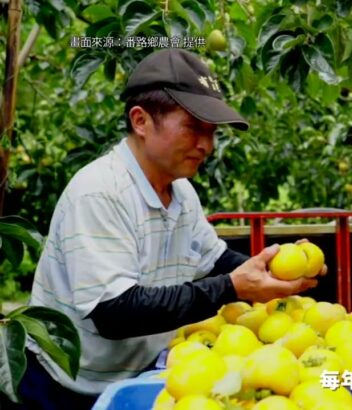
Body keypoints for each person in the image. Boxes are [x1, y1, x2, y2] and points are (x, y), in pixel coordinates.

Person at [5, 49, 325, 409]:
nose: (207, 146)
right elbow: (114, 311)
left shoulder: (181, 192)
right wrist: (233, 287)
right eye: (193, 128)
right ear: (140, 121)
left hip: (135, 377)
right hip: (66, 388)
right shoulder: (99, 191)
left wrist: (273, 267)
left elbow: (215, 259)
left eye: (212, 132)